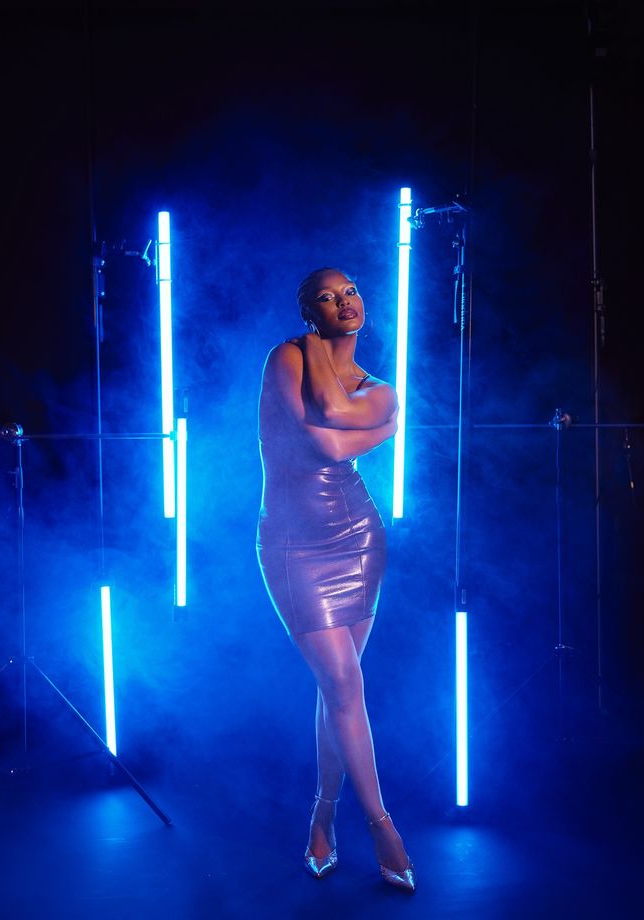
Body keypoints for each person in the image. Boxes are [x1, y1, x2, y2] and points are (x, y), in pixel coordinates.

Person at [256, 267, 415, 892]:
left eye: (350, 291)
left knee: (338, 691)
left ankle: (322, 816)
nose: (343, 301)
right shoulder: (285, 358)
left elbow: (340, 416)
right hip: (293, 544)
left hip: (360, 539)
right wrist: (381, 431)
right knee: (344, 684)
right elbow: (322, 436)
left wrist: (366, 422)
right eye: (327, 296)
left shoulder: (379, 386)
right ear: (308, 312)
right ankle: (381, 824)